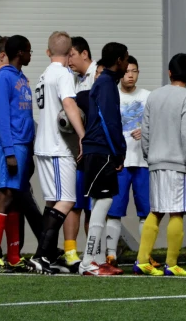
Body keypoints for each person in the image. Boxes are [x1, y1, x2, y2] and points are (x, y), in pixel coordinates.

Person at [134, 54, 186, 276]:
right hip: (177, 163)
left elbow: (146, 130)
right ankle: (171, 264)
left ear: (169, 72)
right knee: (176, 212)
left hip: (154, 161)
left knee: (156, 211)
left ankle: (142, 260)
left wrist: (148, 155)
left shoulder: (154, 96)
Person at [28, 32, 87, 275]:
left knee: (53, 201)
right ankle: (40, 256)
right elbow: (69, 105)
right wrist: (83, 135)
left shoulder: (43, 74)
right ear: (70, 51)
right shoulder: (62, 74)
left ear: (48, 51)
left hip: (43, 144)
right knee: (67, 200)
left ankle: (49, 255)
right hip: (57, 147)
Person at [0, 35, 35, 273]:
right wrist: (9, 152)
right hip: (11, 145)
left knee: (14, 198)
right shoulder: (3, 76)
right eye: (29, 51)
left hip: (23, 144)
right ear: (20, 53)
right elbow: (1, 115)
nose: (31, 55)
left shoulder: (21, 78)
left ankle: (14, 255)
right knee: (3, 195)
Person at [78, 43, 130, 276]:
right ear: (119, 60)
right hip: (101, 150)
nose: (128, 64)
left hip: (98, 149)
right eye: (126, 59)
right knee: (104, 201)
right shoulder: (107, 84)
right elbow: (109, 122)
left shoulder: (105, 83)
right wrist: (119, 150)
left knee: (101, 201)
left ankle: (97, 261)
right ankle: (88, 262)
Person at [105, 56, 151, 267]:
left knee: (145, 211)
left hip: (143, 162)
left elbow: (157, 126)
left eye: (134, 71)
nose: (130, 75)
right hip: (119, 163)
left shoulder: (148, 97)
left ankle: (144, 254)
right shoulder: (112, 96)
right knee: (114, 211)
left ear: (139, 73)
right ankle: (111, 254)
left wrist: (147, 131)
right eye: (127, 71)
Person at [61, 36, 98, 270]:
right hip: (78, 151)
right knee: (74, 202)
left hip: (95, 150)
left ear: (85, 54)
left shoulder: (99, 77)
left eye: (71, 55)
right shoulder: (74, 80)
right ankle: (71, 252)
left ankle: (94, 252)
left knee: (94, 205)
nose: (68, 60)